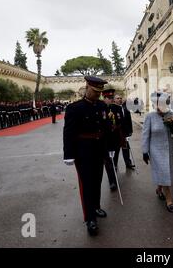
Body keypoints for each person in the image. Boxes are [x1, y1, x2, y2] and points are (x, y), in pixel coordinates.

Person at [63, 76, 110, 236]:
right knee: (87, 185)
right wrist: (68, 154)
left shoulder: (103, 106)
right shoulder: (74, 108)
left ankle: (96, 207)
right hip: (83, 152)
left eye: (100, 92)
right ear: (87, 87)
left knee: (97, 181)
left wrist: (108, 148)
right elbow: (68, 133)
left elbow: (105, 129)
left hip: (99, 150)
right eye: (95, 91)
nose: (98, 94)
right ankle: (90, 218)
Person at [142, 92, 173, 213]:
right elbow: (145, 135)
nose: (159, 107)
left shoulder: (171, 114)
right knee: (164, 172)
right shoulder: (150, 116)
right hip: (156, 150)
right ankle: (169, 200)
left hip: (169, 149)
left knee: (165, 172)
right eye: (156, 104)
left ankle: (159, 189)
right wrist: (144, 151)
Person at [110, 94, 135, 170]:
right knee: (116, 150)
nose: (120, 99)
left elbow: (129, 120)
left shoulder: (125, 108)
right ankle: (115, 165)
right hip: (117, 133)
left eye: (120, 98)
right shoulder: (111, 109)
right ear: (114, 100)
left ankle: (128, 163)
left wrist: (130, 131)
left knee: (126, 148)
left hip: (125, 132)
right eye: (117, 98)